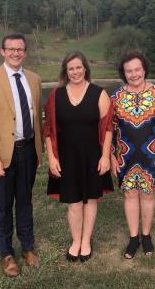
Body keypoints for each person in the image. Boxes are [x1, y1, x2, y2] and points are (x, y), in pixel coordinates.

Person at [0, 33, 43, 277]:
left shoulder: (34, 79)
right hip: (1, 156)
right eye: (11, 49)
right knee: (4, 206)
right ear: (2, 51)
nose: (16, 53)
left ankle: (27, 247)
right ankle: (6, 254)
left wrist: (39, 151)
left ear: (25, 52)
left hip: (28, 151)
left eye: (20, 49)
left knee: (25, 201)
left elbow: (37, 117)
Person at [44, 51, 114, 263]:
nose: (75, 71)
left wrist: (105, 157)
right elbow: (48, 129)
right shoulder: (55, 96)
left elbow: (108, 128)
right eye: (71, 68)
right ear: (66, 71)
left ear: (85, 68)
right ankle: (75, 241)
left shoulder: (99, 94)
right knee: (74, 203)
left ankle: (86, 240)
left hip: (93, 156)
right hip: (67, 157)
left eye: (78, 67)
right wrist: (52, 158)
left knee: (90, 200)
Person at [110, 50, 155, 259]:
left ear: (144, 69)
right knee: (129, 194)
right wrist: (111, 156)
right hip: (124, 154)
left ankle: (146, 236)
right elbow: (110, 130)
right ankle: (133, 237)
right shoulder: (116, 97)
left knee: (147, 194)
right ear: (124, 73)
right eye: (129, 71)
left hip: (152, 153)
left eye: (137, 69)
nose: (134, 74)